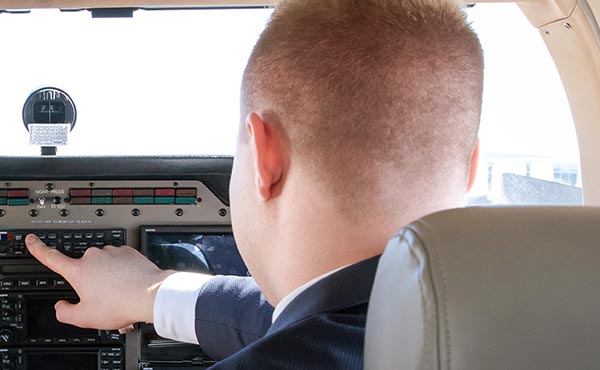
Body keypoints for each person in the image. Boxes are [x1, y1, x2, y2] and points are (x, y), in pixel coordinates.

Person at [25, 0, 483, 368]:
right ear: (471, 167)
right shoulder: (535, 323)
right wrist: (153, 292)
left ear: (266, 158)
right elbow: (326, 320)